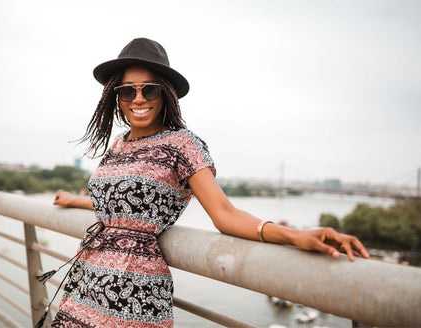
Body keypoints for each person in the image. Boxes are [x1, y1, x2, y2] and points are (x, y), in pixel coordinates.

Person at [46, 38, 369, 328]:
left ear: (165, 94)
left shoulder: (182, 144)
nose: (138, 97)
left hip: (132, 288)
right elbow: (124, 209)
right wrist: (74, 201)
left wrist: (293, 235)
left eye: (150, 88)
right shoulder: (119, 144)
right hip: (88, 275)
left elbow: (224, 213)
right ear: (116, 97)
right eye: (128, 90)